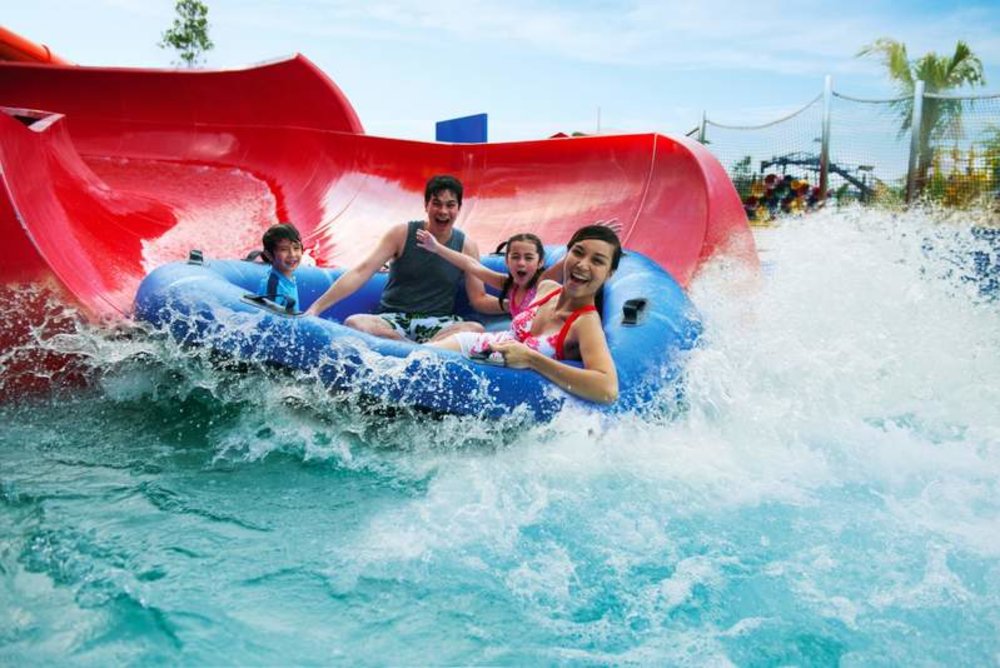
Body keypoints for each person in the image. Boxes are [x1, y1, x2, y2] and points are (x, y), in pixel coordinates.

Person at [427, 225, 621, 404]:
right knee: (413, 359)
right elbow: (472, 266)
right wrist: (436, 248)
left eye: (597, 260)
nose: (582, 264)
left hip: (499, 379)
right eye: (577, 252)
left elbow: (607, 389)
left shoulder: (585, 322)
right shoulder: (546, 288)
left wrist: (531, 359)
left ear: (610, 273)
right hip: (477, 345)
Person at [304, 175, 488, 343]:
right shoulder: (402, 234)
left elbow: (478, 299)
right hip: (393, 320)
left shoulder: (466, 246)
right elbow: (362, 271)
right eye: (437, 203)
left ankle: (417, 349)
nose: (443, 211)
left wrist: (513, 303)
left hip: (438, 324)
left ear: (459, 208)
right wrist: (315, 309)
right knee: (355, 323)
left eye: (450, 205)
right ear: (426, 205)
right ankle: (418, 349)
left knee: (475, 329)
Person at [415, 229, 545, 317]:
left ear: (540, 263)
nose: (521, 263)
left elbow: (563, 267)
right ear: (506, 261)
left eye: (528, 258)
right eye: (515, 257)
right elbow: (470, 264)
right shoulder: (508, 285)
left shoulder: (543, 283)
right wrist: (437, 248)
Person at [258, 222, 303, 310]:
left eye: (296, 248)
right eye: (284, 249)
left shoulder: (287, 277)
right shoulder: (274, 286)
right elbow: (269, 319)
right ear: (269, 255)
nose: (292, 254)